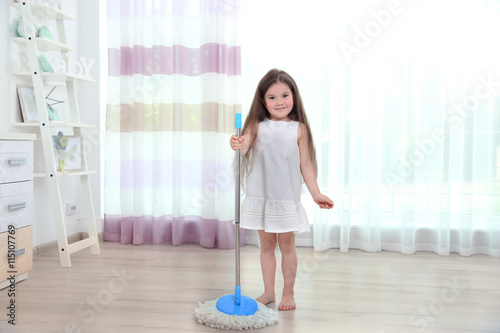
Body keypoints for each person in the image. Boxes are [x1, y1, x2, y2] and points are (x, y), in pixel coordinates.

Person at [229, 69, 334, 311]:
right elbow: (242, 147)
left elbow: (305, 164)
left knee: (287, 246)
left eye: (285, 95)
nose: (279, 102)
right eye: (272, 97)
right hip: (262, 198)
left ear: (294, 97)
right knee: (266, 246)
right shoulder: (257, 126)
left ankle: (289, 293)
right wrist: (236, 143)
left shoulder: (298, 129)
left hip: (285, 198)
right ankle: (268, 292)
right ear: (263, 102)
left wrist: (316, 193)